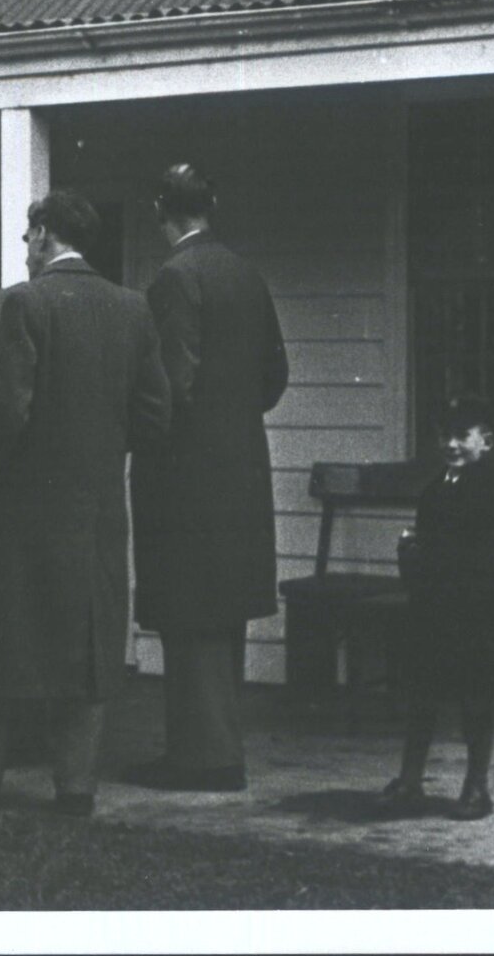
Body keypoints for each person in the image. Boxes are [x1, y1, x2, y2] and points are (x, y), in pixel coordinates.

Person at [0, 190, 169, 817]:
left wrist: (1, 472)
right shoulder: (133, 309)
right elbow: (155, 413)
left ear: (42, 236)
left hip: (17, 503)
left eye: (28, 238)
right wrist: (101, 455)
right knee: (87, 647)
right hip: (95, 506)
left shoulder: (18, 304)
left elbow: (8, 409)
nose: (25, 248)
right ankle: (75, 788)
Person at [124, 164, 288, 792]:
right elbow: (275, 373)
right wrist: (233, 420)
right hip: (242, 464)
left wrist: (143, 434)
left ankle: (202, 757)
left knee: (190, 611)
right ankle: (214, 746)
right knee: (222, 615)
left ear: (163, 211)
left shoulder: (175, 276)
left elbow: (172, 384)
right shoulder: (246, 273)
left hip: (184, 472)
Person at [379, 396, 494, 822]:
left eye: (463, 435)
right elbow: (424, 547)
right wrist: (412, 558)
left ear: (487, 441)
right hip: (432, 613)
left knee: (476, 701)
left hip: (474, 617)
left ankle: (476, 786)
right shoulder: (434, 492)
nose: (452, 444)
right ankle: (409, 780)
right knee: (422, 695)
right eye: (445, 435)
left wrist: (482, 597)